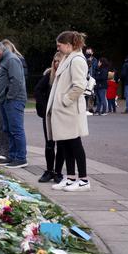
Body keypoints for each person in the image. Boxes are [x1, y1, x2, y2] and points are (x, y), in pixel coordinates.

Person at [47, 31, 91, 191]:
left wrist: (65, 100)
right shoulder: (68, 58)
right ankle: (71, 177)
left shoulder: (77, 60)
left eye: (59, 45)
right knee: (65, 145)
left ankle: (84, 179)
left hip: (70, 110)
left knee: (75, 144)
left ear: (68, 45)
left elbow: (79, 86)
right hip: (65, 111)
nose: (58, 48)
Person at [0, 41, 28, 168]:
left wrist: (9, 97)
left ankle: (21, 158)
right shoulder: (4, 60)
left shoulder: (11, 60)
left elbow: (16, 81)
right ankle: (12, 156)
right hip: (6, 100)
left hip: (13, 100)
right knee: (8, 129)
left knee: (16, 129)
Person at [33, 52, 64, 183]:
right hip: (49, 115)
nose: (57, 63)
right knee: (49, 144)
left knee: (61, 145)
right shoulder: (49, 75)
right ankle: (49, 170)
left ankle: (58, 172)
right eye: (55, 61)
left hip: (62, 115)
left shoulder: (66, 76)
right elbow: (37, 90)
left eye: (59, 61)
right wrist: (46, 107)